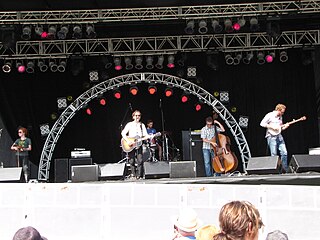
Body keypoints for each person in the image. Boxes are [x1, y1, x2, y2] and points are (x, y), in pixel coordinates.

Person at [260, 104, 289, 173]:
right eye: (281, 112)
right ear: (278, 110)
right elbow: (262, 123)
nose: (282, 114)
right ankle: (276, 171)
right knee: (274, 154)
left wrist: (285, 127)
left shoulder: (280, 117)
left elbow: (279, 128)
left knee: (284, 152)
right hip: (271, 136)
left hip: (279, 136)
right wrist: (272, 127)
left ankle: (284, 170)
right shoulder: (270, 115)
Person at [121, 110, 148, 179]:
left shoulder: (142, 125)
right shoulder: (129, 124)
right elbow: (123, 133)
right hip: (130, 144)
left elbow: (145, 135)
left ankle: (140, 175)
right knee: (132, 160)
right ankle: (133, 174)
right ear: (133, 116)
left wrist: (148, 137)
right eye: (136, 115)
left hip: (139, 143)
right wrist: (128, 141)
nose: (137, 117)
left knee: (140, 160)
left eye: (139, 115)